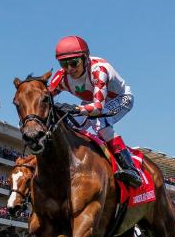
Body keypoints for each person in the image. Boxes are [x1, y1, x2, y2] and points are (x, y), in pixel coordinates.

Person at [48, 35, 141, 187]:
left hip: (120, 99)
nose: (69, 69)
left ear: (85, 58)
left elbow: (98, 108)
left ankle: (130, 169)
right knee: (68, 126)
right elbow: (44, 97)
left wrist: (75, 108)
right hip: (92, 103)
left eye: (74, 62)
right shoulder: (61, 76)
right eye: (63, 64)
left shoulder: (98, 70)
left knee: (100, 121)